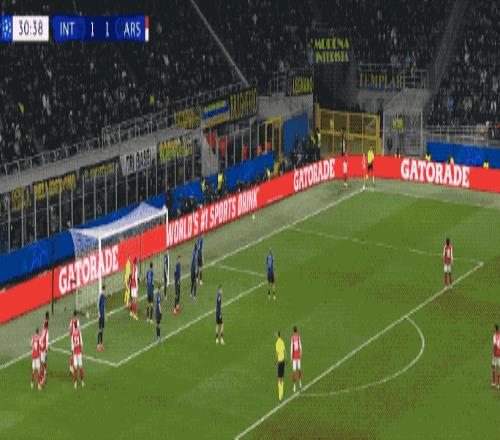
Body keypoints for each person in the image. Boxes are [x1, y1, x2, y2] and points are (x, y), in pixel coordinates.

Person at [71, 321, 84, 389]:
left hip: (75, 353)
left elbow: (72, 345)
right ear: (77, 325)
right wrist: (82, 350)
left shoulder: (73, 334)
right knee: (80, 367)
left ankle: (75, 383)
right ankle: (82, 382)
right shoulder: (79, 333)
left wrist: (72, 353)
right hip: (79, 352)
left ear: (74, 326)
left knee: (75, 368)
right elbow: (81, 343)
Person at [291, 326, 302, 392]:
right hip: (298, 355)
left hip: (294, 356)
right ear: (297, 330)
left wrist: (291, 357)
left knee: (294, 371)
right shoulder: (298, 337)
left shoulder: (292, 338)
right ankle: (300, 384)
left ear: (293, 331)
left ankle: (294, 387)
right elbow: (300, 346)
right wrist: (300, 353)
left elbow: (291, 348)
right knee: (299, 369)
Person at [275, 330, 286, 401]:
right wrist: (286, 359)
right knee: (282, 378)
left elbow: (277, 353)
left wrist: (275, 360)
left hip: (279, 361)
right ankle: (282, 394)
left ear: (277, 335)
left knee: (279, 378)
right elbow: (284, 351)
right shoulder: (282, 341)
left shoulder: (277, 343)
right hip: (283, 361)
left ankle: (280, 396)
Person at [40, 311, 49, 385]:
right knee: (44, 361)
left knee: (43, 361)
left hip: (41, 348)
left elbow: (41, 339)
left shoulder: (43, 330)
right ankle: (43, 376)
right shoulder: (47, 332)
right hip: (43, 349)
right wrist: (46, 349)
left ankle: (44, 372)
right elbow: (46, 341)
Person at [69, 310, 79, 375]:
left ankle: (71, 367)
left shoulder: (71, 320)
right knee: (75, 354)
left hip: (72, 338)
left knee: (72, 353)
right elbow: (78, 328)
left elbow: (70, 328)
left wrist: (71, 335)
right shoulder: (77, 320)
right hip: (76, 338)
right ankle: (73, 368)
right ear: (76, 314)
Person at [97, 285, 106, 352]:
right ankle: (98, 344)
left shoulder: (104, 296)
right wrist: (99, 314)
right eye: (103, 290)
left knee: (102, 329)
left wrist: (105, 315)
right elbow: (98, 305)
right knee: (100, 330)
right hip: (100, 315)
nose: (104, 291)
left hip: (103, 315)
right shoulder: (100, 296)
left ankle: (101, 343)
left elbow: (104, 306)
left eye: (104, 290)